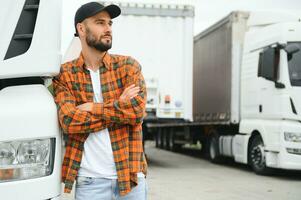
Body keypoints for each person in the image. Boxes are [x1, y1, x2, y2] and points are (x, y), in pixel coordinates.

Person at [52, 2, 147, 199]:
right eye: (100, 23)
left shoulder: (128, 66)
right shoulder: (65, 75)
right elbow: (69, 122)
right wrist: (119, 106)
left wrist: (92, 108)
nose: (108, 29)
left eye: (110, 24)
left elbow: (136, 112)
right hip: (90, 182)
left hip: (130, 179)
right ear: (81, 28)